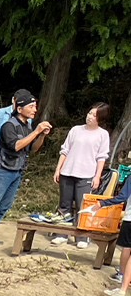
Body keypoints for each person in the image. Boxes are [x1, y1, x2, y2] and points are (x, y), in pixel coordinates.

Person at [0, 90, 53, 246]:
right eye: (31, 107)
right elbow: (16, 146)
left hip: (18, 170)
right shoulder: (9, 126)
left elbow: (32, 149)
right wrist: (36, 131)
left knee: (5, 205)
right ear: (20, 108)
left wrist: (41, 135)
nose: (35, 110)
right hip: (3, 170)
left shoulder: (27, 126)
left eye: (35, 106)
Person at [43, 102, 112, 247]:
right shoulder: (75, 130)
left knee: (83, 206)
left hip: (86, 174)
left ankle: (82, 237)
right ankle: (62, 233)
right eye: (90, 113)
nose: (90, 117)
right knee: (64, 205)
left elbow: (101, 157)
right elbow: (65, 150)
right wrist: (58, 169)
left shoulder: (103, 134)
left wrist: (97, 176)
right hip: (67, 172)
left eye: (95, 115)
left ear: (101, 119)